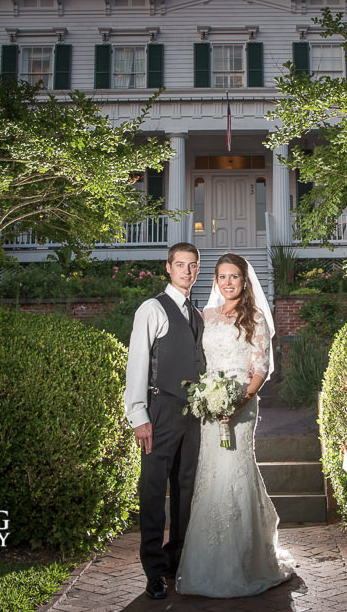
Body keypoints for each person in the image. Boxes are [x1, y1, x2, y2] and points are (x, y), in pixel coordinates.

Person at [175, 253, 295, 598]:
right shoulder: (206, 316)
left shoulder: (255, 318)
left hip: (241, 407)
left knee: (234, 471)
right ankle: (206, 562)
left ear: (244, 281)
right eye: (222, 277)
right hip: (209, 408)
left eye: (234, 277)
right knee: (211, 475)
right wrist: (206, 398)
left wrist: (237, 403)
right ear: (216, 280)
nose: (228, 283)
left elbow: (260, 370)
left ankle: (245, 562)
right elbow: (199, 362)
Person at [123, 242, 204, 600]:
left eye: (192, 265)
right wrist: (138, 415)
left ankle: (178, 558)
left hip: (193, 415)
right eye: (180, 264)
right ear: (168, 268)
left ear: (197, 270)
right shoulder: (152, 308)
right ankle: (154, 570)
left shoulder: (196, 314)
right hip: (160, 410)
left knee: (186, 487)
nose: (187, 271)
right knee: (154, 488)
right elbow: (137, 363)